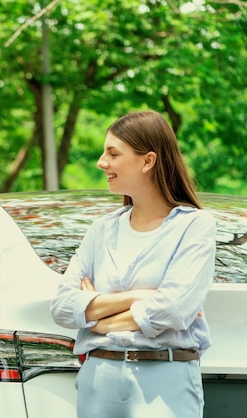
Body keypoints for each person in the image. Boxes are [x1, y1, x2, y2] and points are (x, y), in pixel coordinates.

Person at [50, 110, 216, 418]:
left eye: (113, 153)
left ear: (147, 161)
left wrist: (98, 321)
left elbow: (174, 309)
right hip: (98, 378)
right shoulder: (101, 231)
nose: (102, 162)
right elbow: (61, 306)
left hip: (164, 381)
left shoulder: (194, 226)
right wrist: (140, 297)